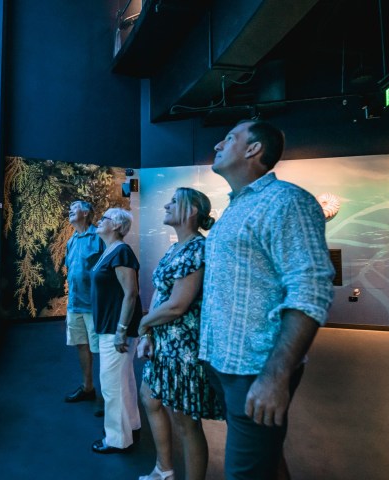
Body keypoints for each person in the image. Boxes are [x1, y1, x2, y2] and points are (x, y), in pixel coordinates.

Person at [199, 120, 334, 479]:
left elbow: (311, 290)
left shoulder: (288, 202)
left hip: (255, 368)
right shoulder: (236, 208)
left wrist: (275, 376)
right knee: (267, 461)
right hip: (225, 362)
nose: (217, 143)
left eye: (229, 138)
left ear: (253, 149)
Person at [136, 188, 224, 480]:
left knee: (186, 422)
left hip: (183, 349)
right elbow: (162, 295)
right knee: (150, 397)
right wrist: (148, 331)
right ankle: (164, 468)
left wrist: (143, 323)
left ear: (191, 211)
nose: (166, 204)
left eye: (174, 201)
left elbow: (177, 305)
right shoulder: (176, 248)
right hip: (164, 342)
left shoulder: (197, 249)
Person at [89, 208, 142, 454]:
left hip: (115, 328)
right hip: (110, 325)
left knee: (111, 384)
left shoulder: (121, 252)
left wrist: (121, 330)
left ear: (117, 226)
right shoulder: (109, 251)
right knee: (124, 379)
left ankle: (117, 439)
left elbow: (131, 293)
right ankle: (131, 424)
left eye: (104, 219)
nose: (99, 221)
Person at [64, 201, 105, 416]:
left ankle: (105, 396)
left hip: (94, 306)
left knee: (101, 351)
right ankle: (88, 387)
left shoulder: (99, 237)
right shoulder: (71, 241)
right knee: (82, 345)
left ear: (86, 212)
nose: (70, 209)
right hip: (74, 305)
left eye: (75, 206)